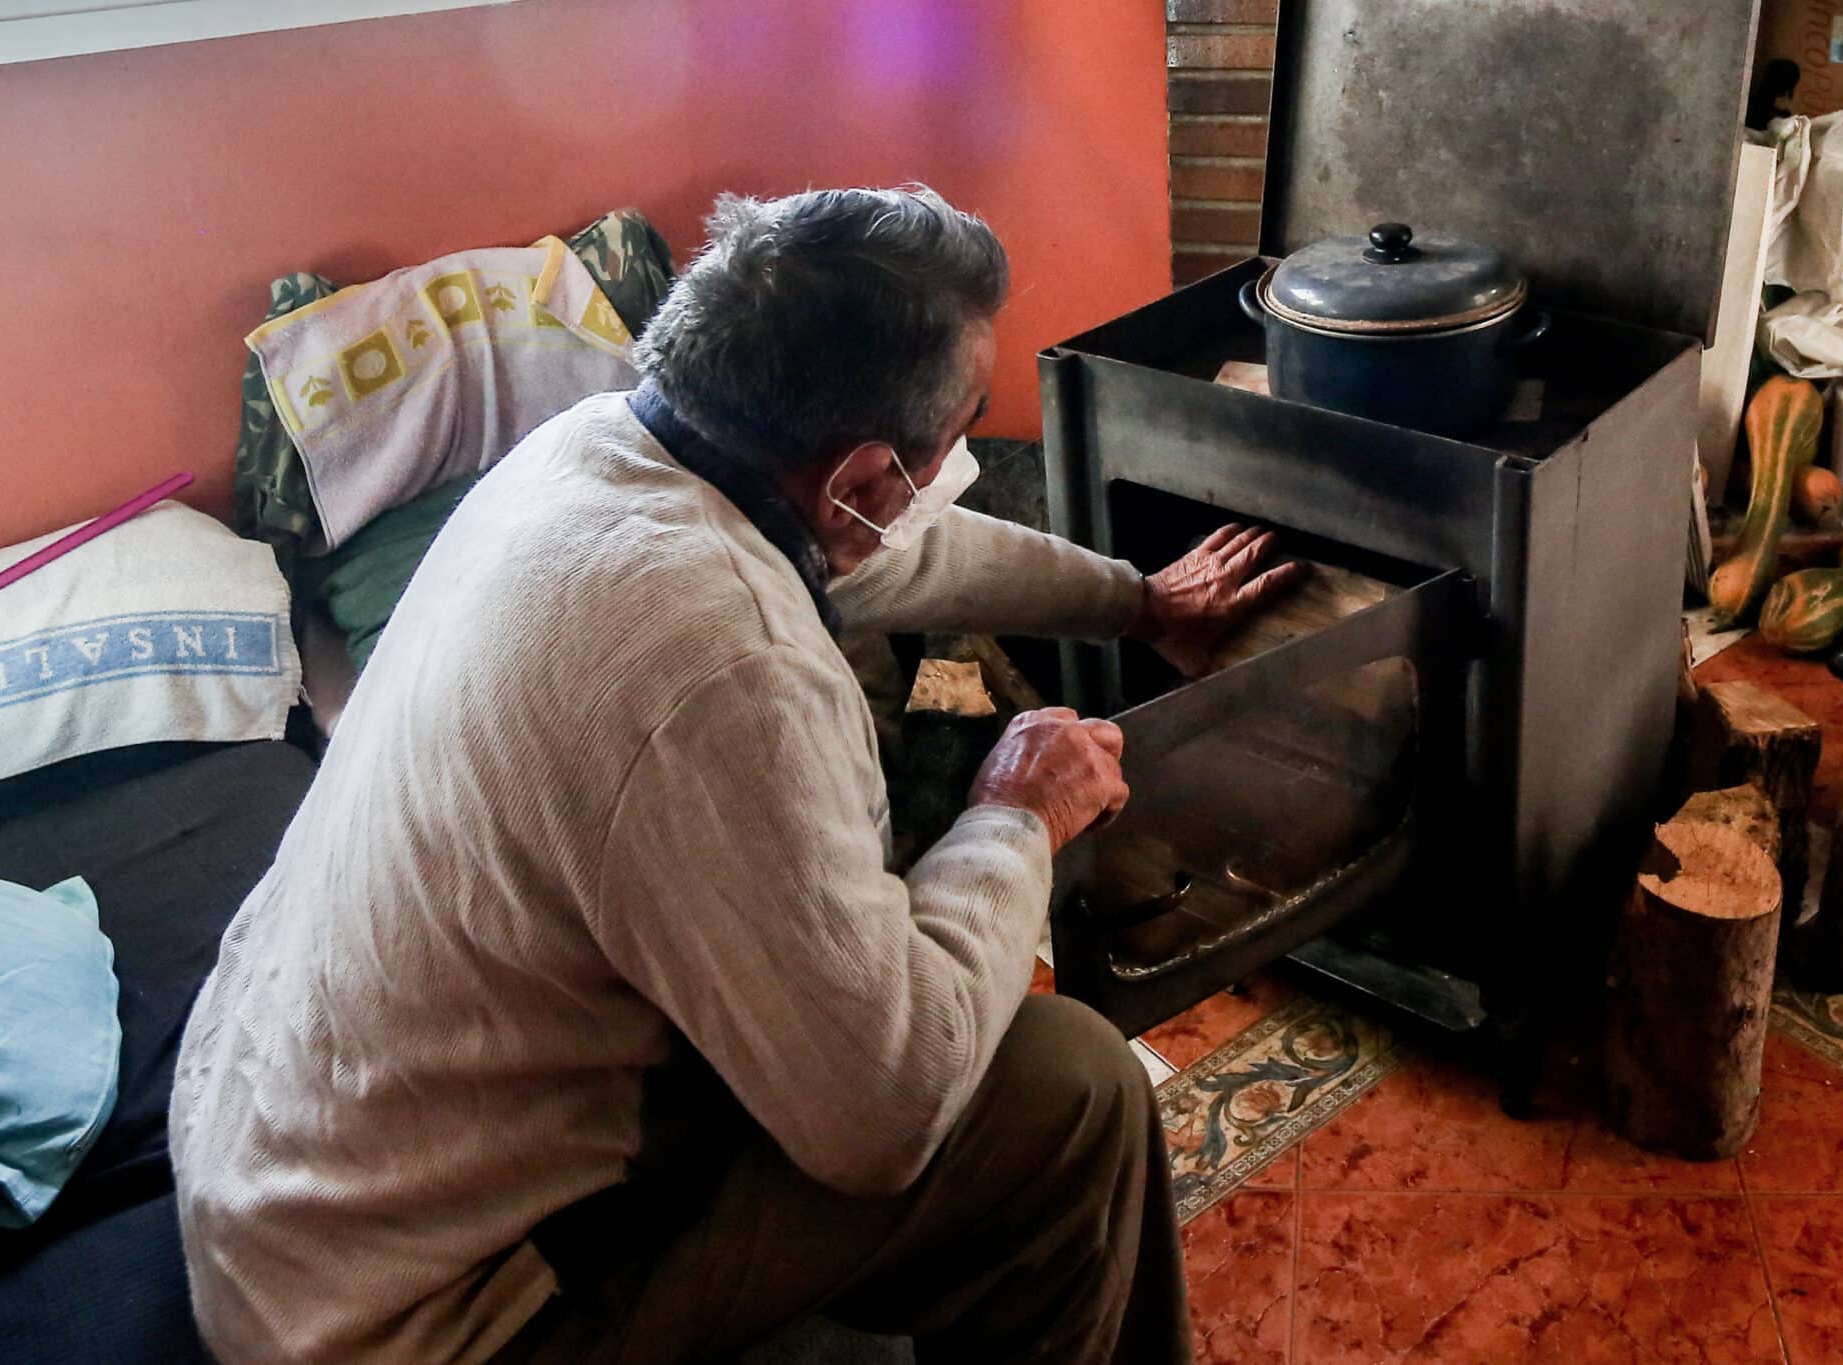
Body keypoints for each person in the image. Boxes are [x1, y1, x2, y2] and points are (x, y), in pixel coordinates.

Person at [169, 186, 1303, 1365]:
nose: (961, 454)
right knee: (1069, 1091)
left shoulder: (605, 449)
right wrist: (1015, 817)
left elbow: (896, 555)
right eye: (960, 431)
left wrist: (1137, 600)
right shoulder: (720, 666)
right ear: (863, 479)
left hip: (270, 1178)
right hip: (408, 1322)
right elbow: (885, 1113)